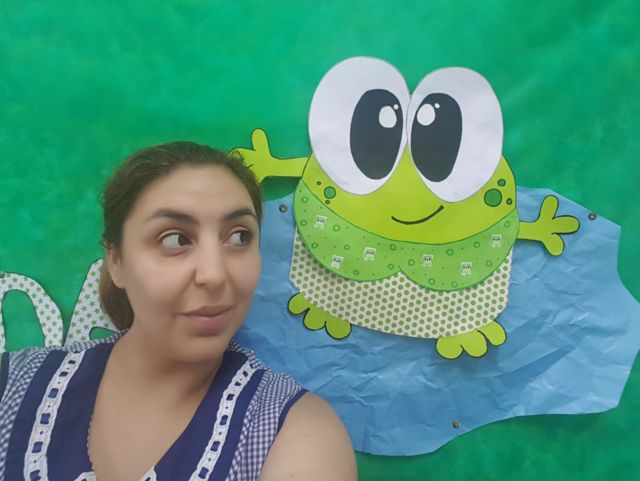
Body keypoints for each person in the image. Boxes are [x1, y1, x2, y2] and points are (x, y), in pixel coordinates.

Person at [0, 142, 357, 481]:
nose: (214, 274)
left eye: (239, 237)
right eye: (175, 239)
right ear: (117, 261)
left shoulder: (294, 430)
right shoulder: (12, 386)